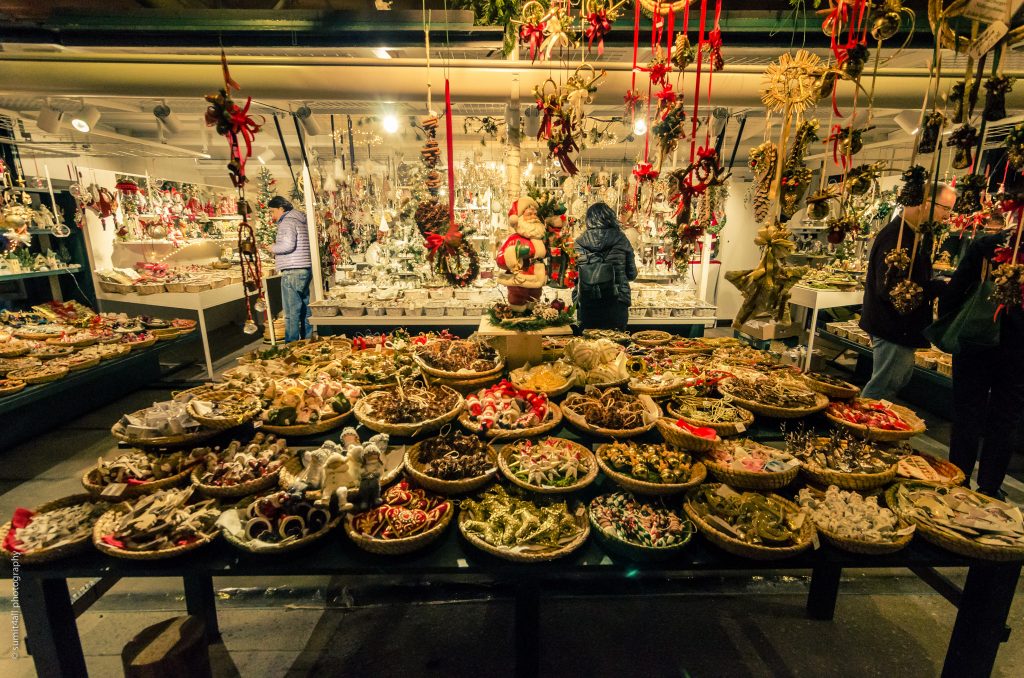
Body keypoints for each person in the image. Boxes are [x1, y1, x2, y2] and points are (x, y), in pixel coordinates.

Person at [940, 224, 1023, 499]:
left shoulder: (986, 246)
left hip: (976, 342)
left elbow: (955, 291)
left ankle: (958, 478)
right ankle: (989, 487)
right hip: (1018, 351)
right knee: (1005, 418)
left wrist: (951, 323)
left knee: (967, 414)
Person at [859, 183, 956, 400]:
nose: (947, 216)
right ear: (925, 204)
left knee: (891, 383)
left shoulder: (911, 235)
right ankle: (860, 431)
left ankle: (867, 428)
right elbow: (892, 289)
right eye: (945, 208)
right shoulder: (897, 237)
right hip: (893, 326)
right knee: (882, 388)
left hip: (898, 327)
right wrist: (938, 287)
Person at [572, 202, 638, 330]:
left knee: (587, 346)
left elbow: (574, 276)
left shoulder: (578, 243)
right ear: (610, 218)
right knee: (616, 345)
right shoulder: (621, 239)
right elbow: (632, 274)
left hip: (587, 301)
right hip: (617, 301)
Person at [267, 196, 313, 342]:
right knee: (305, 309)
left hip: (292, 269)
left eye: (273, 211)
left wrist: (272, 248)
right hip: (303, 268)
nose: (272, 215)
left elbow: (287, 245)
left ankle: (291, 346)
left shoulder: (287, 222)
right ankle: (307, 341)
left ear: (281, 208)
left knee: (291, 312)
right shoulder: (300, 220)